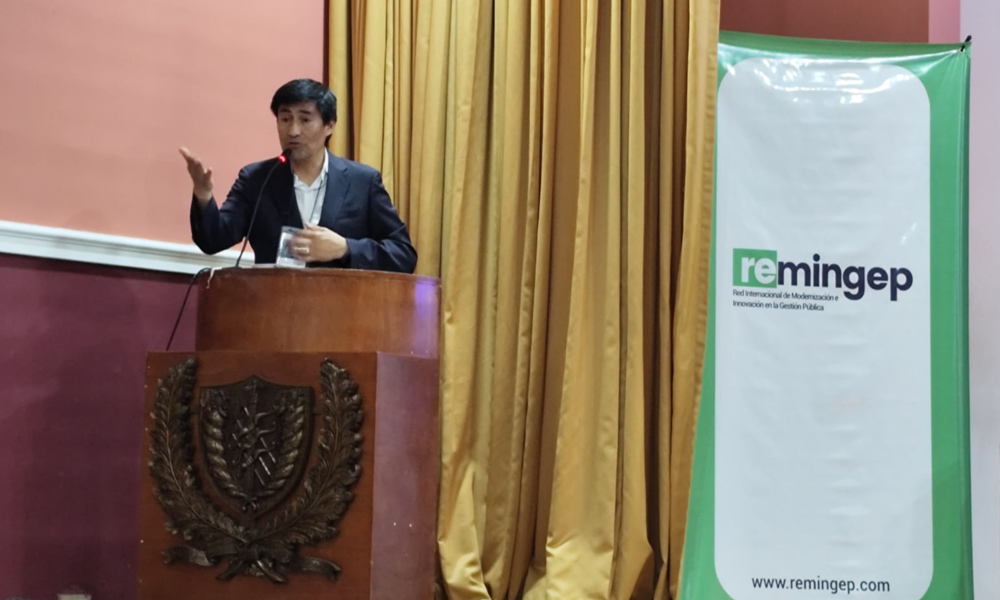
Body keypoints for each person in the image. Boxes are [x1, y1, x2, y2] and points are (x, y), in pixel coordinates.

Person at [180, 79, 417, 273]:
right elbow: (213, 241)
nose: (293, 131)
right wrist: (203, 195)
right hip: (272, 308)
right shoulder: (257, 179)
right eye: (285, 119)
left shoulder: (362, 182)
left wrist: (345, 248)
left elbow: (403, 254)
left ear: (330, 126)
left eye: (305, 120)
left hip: (343, 311)